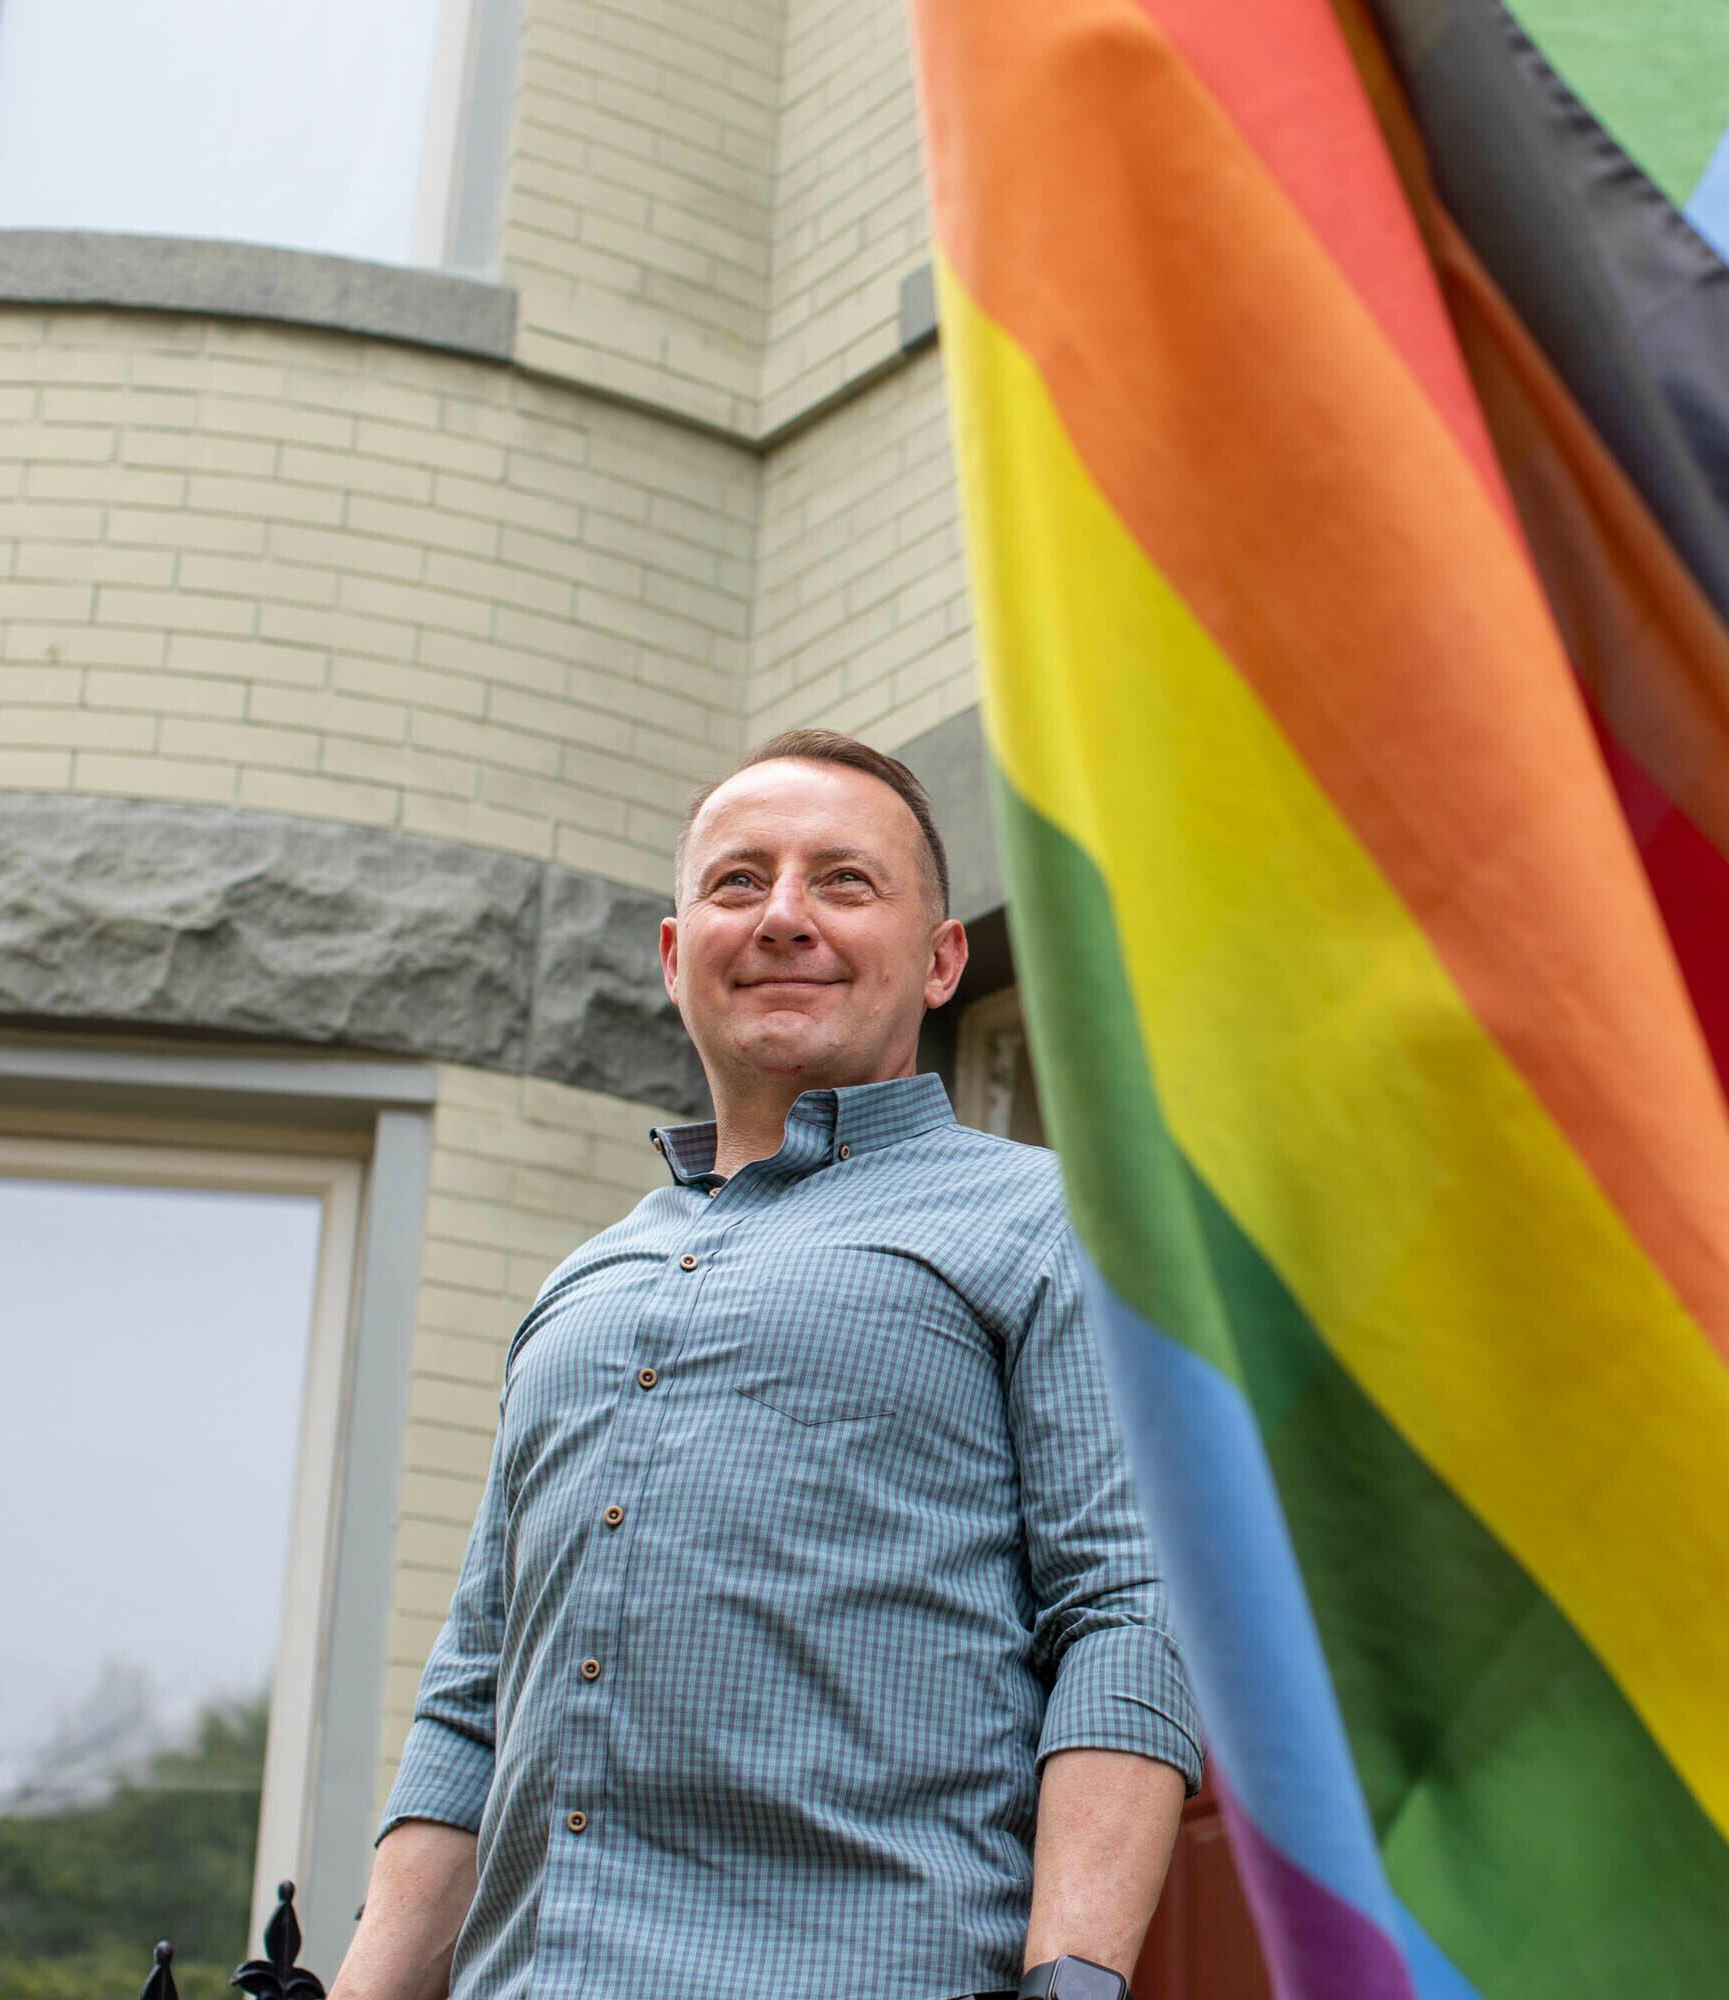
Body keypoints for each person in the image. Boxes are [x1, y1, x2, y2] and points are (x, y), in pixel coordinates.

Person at [327, 730, 1200, 2000]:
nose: (784, 916)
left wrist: (1073, 1979)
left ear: (944, 957)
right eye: (739, 883)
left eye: (843, 881)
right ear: (679, 957)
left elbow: (1129, 1613)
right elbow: (473, 1693)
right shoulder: (579, 1287)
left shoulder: (1058, 1225)